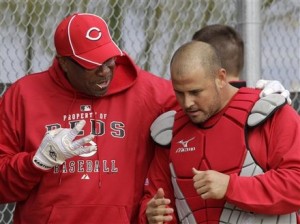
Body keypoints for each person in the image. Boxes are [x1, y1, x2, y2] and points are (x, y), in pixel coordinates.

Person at [0, 13, 179, 224]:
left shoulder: (151, 93)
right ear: (64, 63)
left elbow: (210, 106)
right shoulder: (24, 95)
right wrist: (37, 161)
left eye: (109, 59)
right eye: (91, 64)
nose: (104, 71)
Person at [139, 41, 300, 223]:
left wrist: (231, 187)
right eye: (179, 93)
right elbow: (155, 198)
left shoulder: (268, 113)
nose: (187, 103)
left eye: (195, 92)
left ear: (221, 78)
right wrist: (150, 214)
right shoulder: (170, 132)